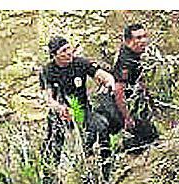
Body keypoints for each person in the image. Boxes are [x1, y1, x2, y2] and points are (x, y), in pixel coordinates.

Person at [39, 35, 120, 167]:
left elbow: (101, 74)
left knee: (101, 126)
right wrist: (60, 108)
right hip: (60, 114)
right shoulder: (47, 71)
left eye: (68, 48)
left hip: (82, 109)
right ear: (54, 55)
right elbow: (48, 98)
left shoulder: (80, 63)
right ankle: (48, 173)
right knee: (52, 147)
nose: (68, 52)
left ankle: (105, 166)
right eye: (63, 51)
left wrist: (109, 82)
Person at [109, 23, 160, 153]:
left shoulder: (139, 53)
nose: (143, 41)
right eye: (138, 38)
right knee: (146, 136)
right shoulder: (126, 61)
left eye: (144, 36)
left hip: (136, 99)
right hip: (122, 103)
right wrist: (127, 116)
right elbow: (118, 91)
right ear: (128, 41)